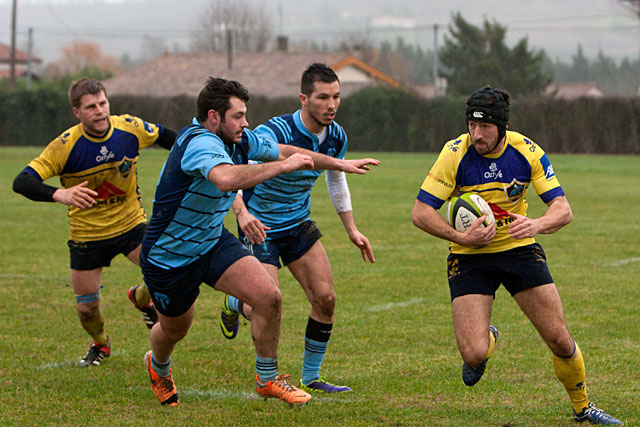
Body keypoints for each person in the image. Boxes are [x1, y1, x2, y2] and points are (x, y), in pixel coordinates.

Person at [140, 76, 375, 407]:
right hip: (171, 256)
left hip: (211, 241)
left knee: (268, 297)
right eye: (237, 116)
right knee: (175, 330)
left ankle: (267, 378)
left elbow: (285, 150)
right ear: (213, 116)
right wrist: (281, 167)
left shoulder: (239, 139)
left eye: (244, 114)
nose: (246, 123)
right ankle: (159, 365)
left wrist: (336, 164)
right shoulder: (199, 143)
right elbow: (224, 178)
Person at [411, 85, 623, 425]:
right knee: (474, 353)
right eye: (471, 125)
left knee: (558, 337)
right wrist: (459, 236)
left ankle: (583, 407)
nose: (476, 135)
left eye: (484, 128)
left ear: (502, 127)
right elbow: (421, 212)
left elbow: (563, 210)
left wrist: (536, 224)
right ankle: (488, 338)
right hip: (469, 255)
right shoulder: (454, 153)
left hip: (519, 249)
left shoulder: (527, 151)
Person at [219, 63, 379, 394]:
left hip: (297, 225)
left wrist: (352, 229)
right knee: (263, 303)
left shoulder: (336, 136)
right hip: (258, 226)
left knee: (326, 298)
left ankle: (311, 377)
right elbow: (234, 174)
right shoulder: (273, 133)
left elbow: (336, 179)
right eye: (323, 97)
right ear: (303, 99)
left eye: (336, 96)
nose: (331, 105)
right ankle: (235, 305)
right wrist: (242, 214)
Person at [12, 77, 176, 367]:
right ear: (77, 112)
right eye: (90, 107)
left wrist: (200, 155)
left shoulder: (129, 128)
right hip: (87, 235)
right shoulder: (65, 145)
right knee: (87, 309)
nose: (99, 111)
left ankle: (140, 297)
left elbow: (169, 137)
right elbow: (22, 181)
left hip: (131, 225)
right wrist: (59, 193)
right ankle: (101, 344)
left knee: (167, 268)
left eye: (102, 103)